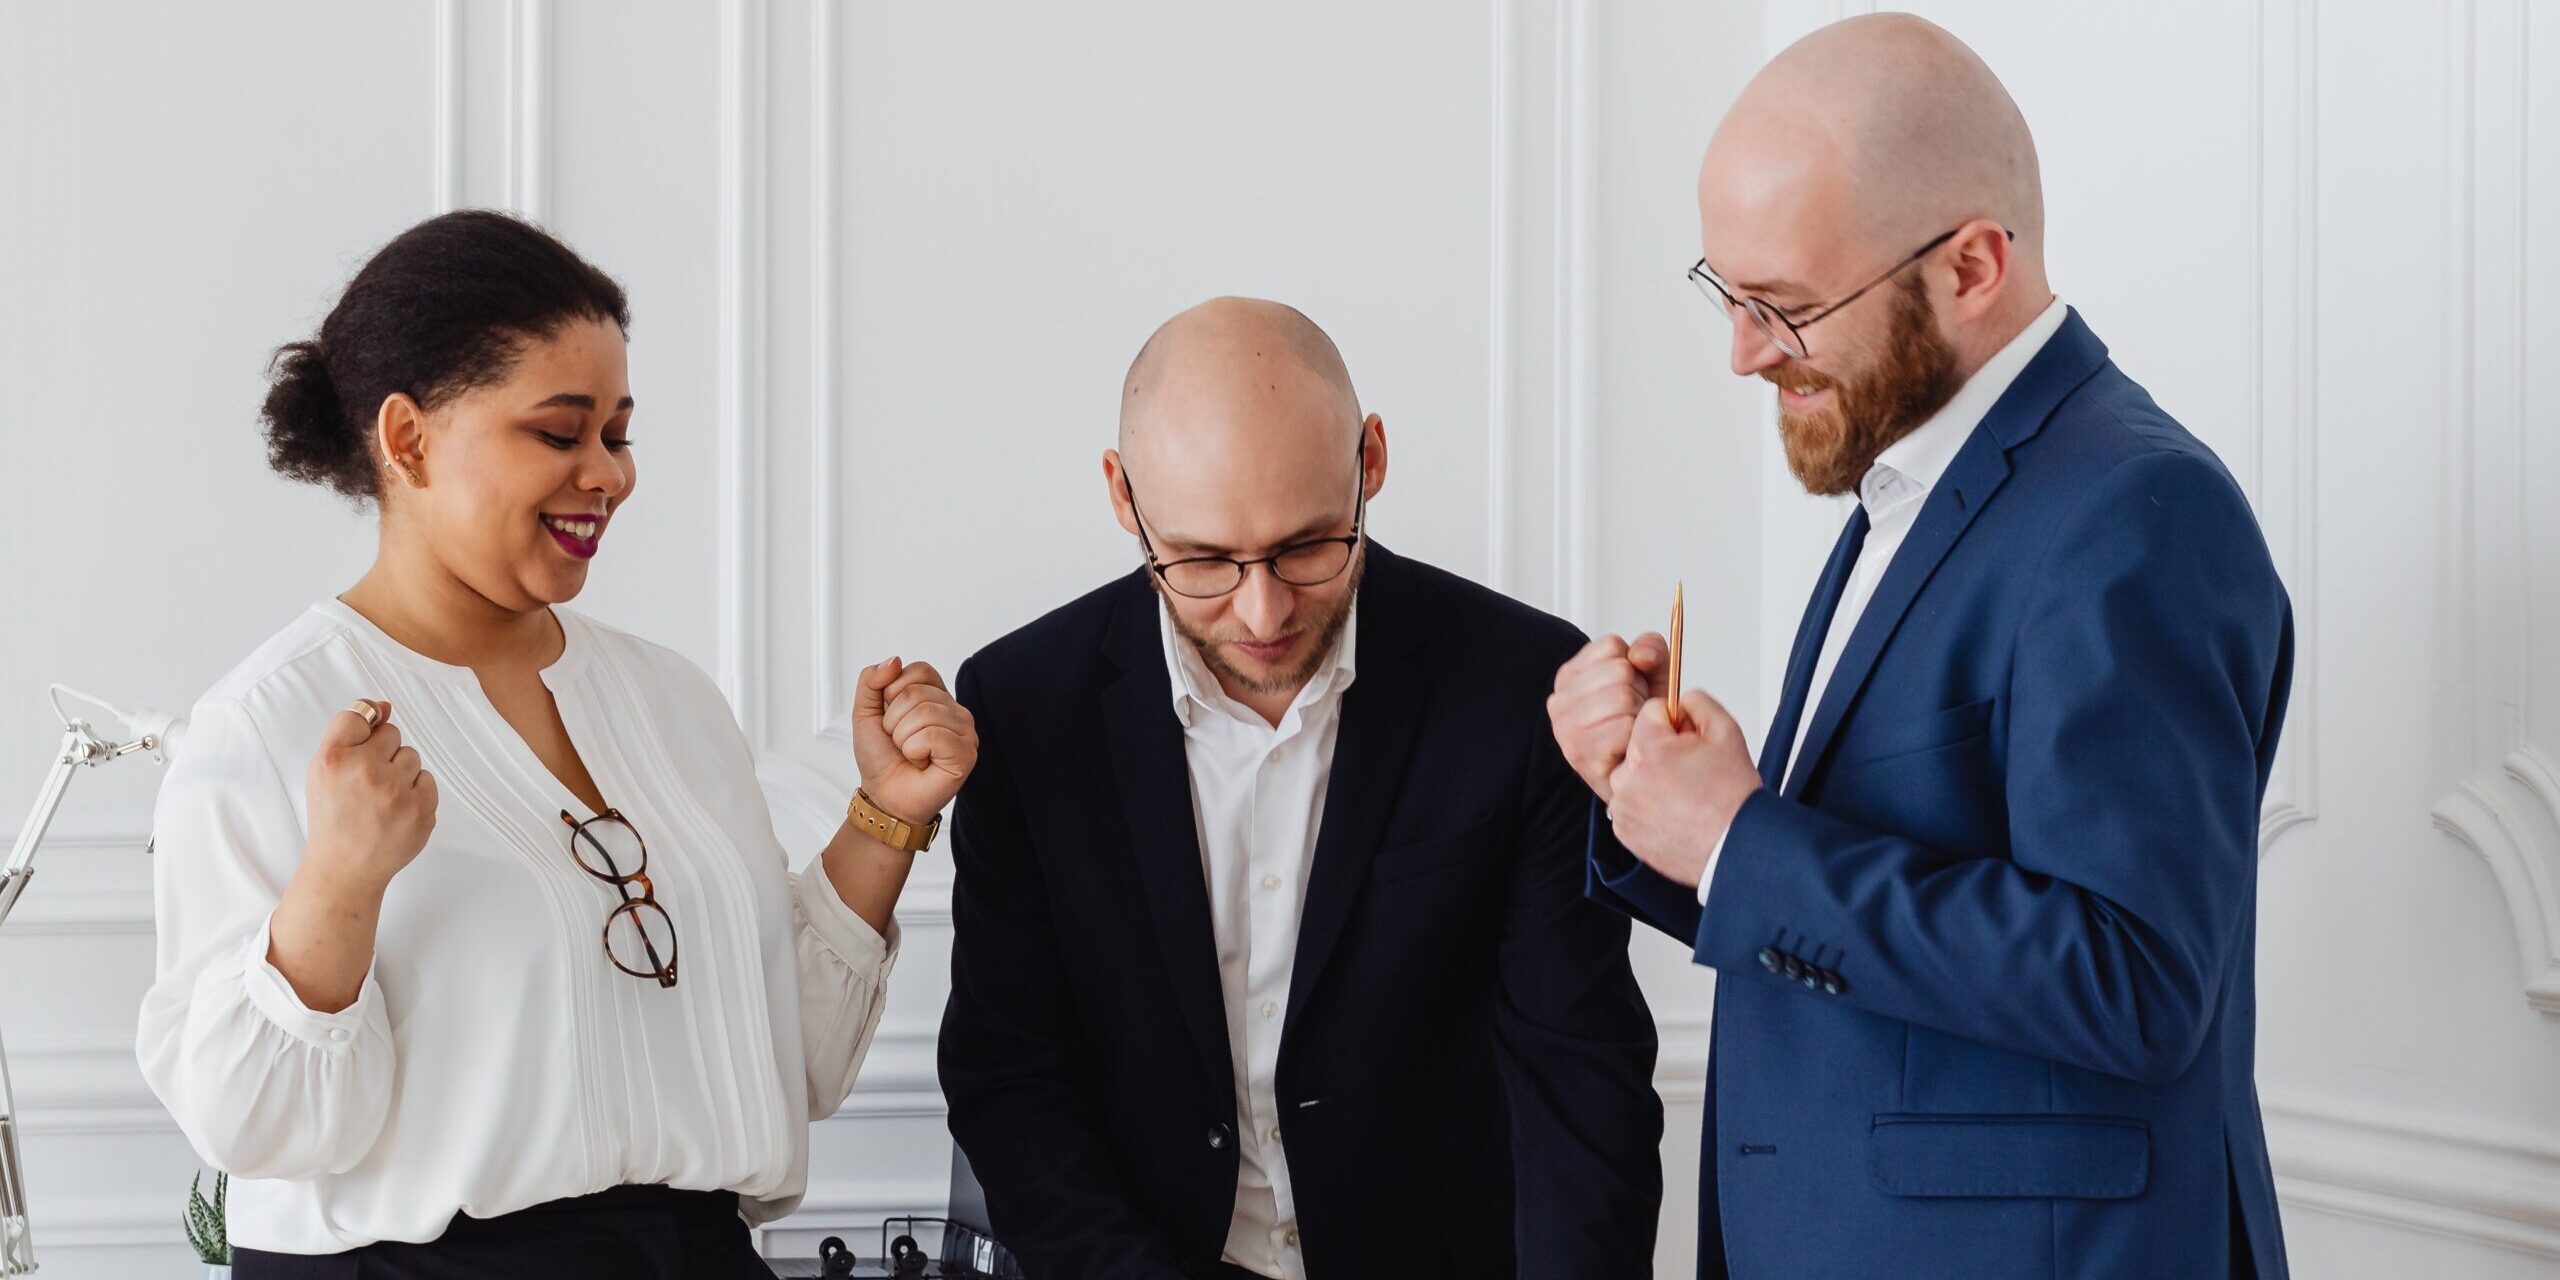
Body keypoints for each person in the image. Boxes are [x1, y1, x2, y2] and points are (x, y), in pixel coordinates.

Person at [1548, 15, 2294, 1278]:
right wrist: (1659, 807)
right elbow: (1869, 911)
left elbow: (2137, 979)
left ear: (1969, 266)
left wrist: (1739, 838)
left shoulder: (2135, 514)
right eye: (1724, 294)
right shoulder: (1914, 483)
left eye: (1782, 306)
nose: (1739, 352)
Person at [137, 210, 978, 1278]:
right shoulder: (270, 726)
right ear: (408, 440)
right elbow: (253, 1127)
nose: (609, 474)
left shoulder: (671, 701)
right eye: (560, 431)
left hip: (699, 1249)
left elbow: (786, 1063)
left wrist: (888, 817)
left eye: (618, 434)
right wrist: (338, 884)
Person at [937, 297, 1663, 1279]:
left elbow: (1579, 1073)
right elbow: (1011, 1070)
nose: (1262, 608)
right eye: (1200, 560)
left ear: (1369, 461)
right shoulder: (1023, 707)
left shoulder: (1521, 683)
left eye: (1308, 546)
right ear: (1123, 495)